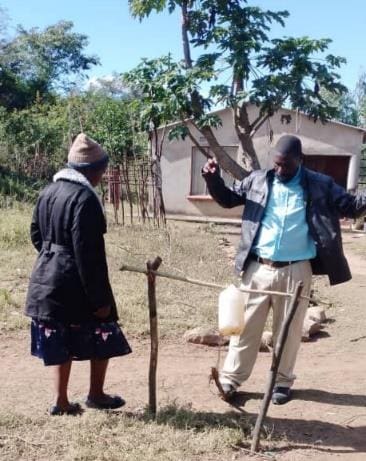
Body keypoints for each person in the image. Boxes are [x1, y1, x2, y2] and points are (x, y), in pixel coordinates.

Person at [203, 134, 366, 405]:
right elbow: (229, 199)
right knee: (245, 329)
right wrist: (212, 180)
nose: (279, 170)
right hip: (257, 267)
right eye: (276, 164)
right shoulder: (257, 180)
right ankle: (232, 379)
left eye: (286, 165)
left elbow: (350, 206)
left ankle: (281, 381)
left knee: (288, 331)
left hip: (297, 272)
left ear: (299, 161)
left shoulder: (320, 184)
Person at [25, 133, 131, 415]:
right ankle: (96, 394)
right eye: (102, 170)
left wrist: (52, 255)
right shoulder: (85, 198)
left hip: (47, 277)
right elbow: (88, 253)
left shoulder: (48, 192)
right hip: (76, 281)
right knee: (105, 327)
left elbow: (36, 234)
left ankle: (61, 402)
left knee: (59, 336)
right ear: (94, 170)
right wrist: (99, 300)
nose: (102, 175)